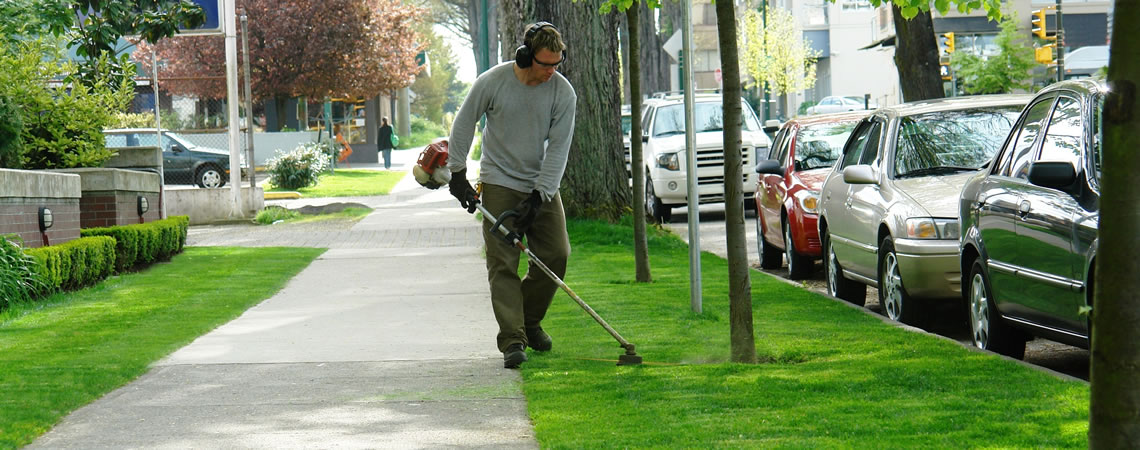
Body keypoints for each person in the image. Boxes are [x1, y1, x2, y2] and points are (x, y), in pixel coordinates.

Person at [446, 22, 577, 369]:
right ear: (525, 56)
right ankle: (513, 339)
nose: (551, 71)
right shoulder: (494, 81)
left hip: (540, 183)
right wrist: (457, 172)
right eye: (545, 64)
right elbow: (464, 122)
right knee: (502, 262)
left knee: (556, 254)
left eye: (557, 64)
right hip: (500, 180)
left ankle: (529, 321)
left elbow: (559, 150)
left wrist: (539, 197)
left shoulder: (563, 94)